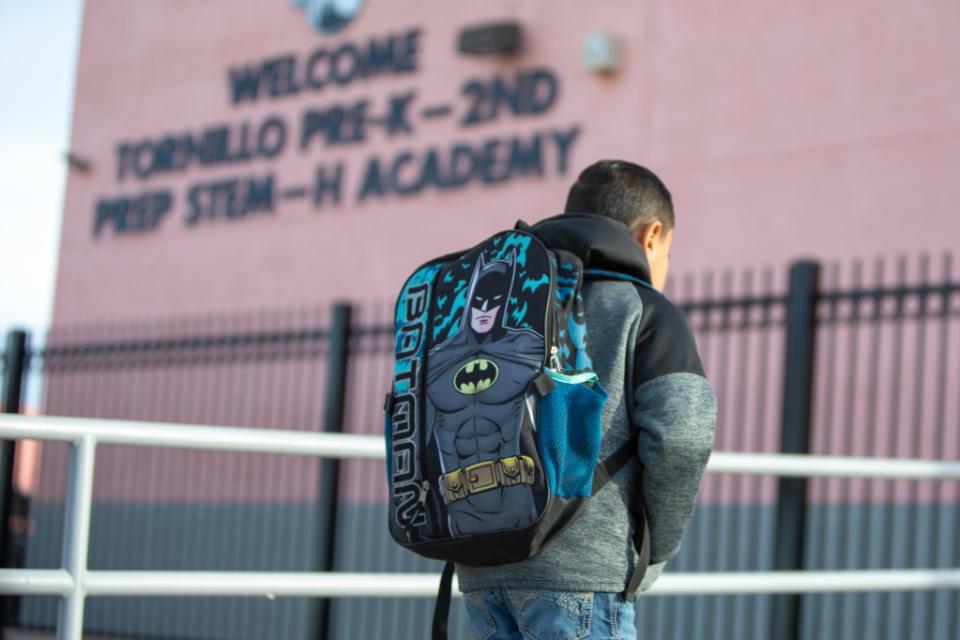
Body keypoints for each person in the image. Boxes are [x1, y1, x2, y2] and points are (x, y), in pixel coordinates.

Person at [455, 160, 718, 639]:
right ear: (652, 235)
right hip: (581, 576)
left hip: (482, 567)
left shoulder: (505, 304)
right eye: (668, 253)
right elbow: (683, 436)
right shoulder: (643, 310)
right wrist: (655, 550)